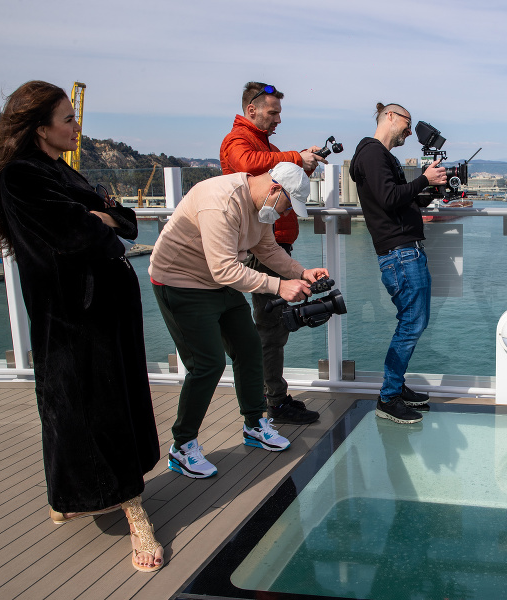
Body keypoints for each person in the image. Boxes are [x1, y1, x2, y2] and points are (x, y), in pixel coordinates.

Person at [0, 80, 163, 572]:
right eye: (67, 119)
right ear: (40, 128)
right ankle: (134, 512)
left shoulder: (60, 173)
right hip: (72, 318)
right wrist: (97, 220)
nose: (75, 125)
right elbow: (77, 236)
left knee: (93, 402)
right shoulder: (22, 178)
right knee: (86, 406)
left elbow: (124, 222)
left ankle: (67, 494)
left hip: (101, 312)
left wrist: (101, 219)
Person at [149, 162, 329, 478]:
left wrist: (300, 272)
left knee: (249, 349)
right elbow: (224, 269)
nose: (286, 213)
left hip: (215, 282)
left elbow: (268, 250)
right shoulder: (222, 201)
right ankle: (182, 446)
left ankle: (254, 424)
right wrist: (279, 286)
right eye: (288, 205)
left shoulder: (260, 207)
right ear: (275, 189)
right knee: (207, 364)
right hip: (180, 282)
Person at [220, 81, 324, 425]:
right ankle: (273, 401)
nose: (278, 118)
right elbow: (248, 163)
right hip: (260, 248)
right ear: (252, 109)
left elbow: (270, 167)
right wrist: (295, 156)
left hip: (270, 245)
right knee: (271, 327)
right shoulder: (239, 141)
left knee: (273, 326)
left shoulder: (265, 145)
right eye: (272, 111)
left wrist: (302, 167)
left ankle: (271, 396)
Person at [349, 103, 447, 424]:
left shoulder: (381, 156)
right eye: (407, 124)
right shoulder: (373, 154)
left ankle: (396, 386)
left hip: (405, 250)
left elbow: (401, 199)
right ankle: (389, 396)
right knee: (412, 323)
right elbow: (389, 197)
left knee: (413, 320)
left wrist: (430, 188)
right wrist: (423, 179)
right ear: (389, 117)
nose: (409, 131)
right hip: (400, 252)